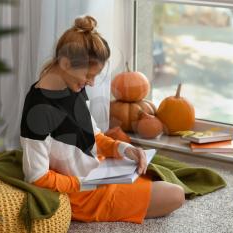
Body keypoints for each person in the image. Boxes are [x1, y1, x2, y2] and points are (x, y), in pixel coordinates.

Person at [20, 15, 185, 223]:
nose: (91, 82)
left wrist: (123, 149)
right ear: (65, 63)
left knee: (164, 181)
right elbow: (37, 178)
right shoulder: (38, 111)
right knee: (175, 195)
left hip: (100, 173)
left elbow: (93, 137)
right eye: (89, 75)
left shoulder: (73, 86)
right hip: (84, 194)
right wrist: (82, 183)